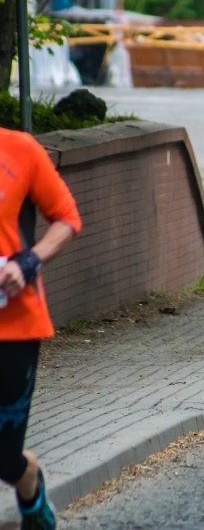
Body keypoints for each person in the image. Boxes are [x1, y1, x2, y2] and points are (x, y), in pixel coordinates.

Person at [0, 127, 81, 529]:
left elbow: (67, 218)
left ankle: (29, 483)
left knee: (3, 458)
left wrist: (28, 263)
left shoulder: (19, 149)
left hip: (14, 326)